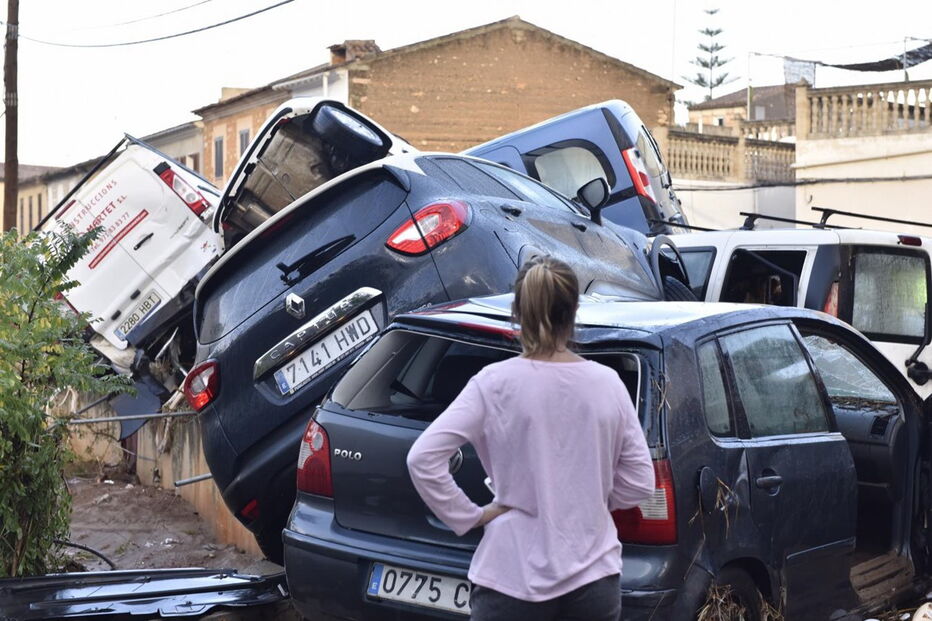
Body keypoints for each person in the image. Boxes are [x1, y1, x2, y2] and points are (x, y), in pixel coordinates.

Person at [406, 255, 655, 621]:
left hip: (512, 579)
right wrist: (589, 498)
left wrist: (471, 516)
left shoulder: (493, 383)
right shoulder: (608, 385)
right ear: (573, 312)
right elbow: (640, 482)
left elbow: (422, 459)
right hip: (594, 582)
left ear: (517, 312)